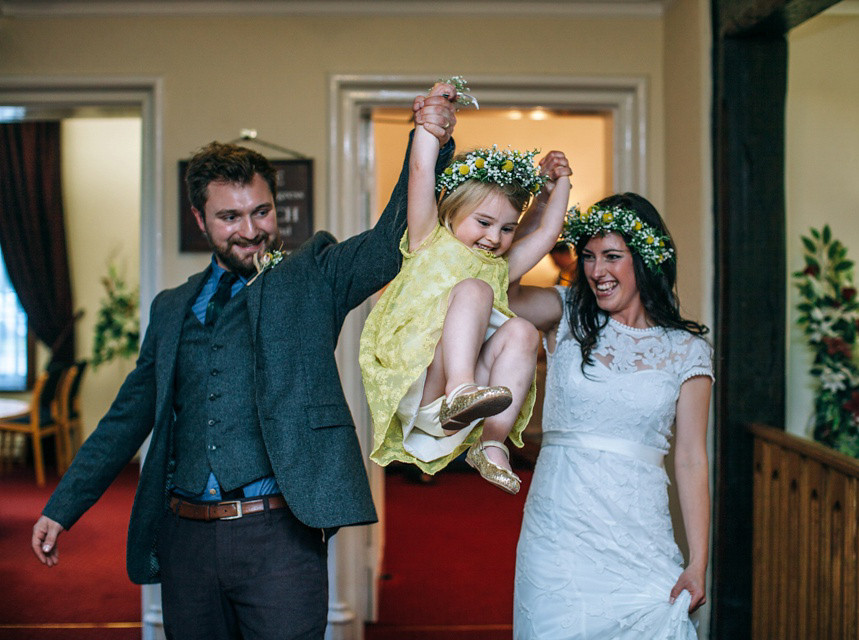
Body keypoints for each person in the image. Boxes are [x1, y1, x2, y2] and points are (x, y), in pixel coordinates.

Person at [29, 92, 460, 640]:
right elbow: (124, 421)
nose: (251, 230)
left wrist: (428, 142)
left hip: (279, 535)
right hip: (185, 540)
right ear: (200, 219)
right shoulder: (170, 309)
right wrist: (62, 507)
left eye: (262, 212)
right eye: (230, 217)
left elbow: (386, 245)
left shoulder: (312, 276)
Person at [509, 193, 713, 638]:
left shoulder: (687, 350)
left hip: (641, 539)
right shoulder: (564, 314)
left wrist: (698, 562)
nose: (597, 271)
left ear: (645, 259)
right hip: (558, 533)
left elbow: (692, 459)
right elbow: (498, 287)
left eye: (612, 257)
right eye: (588, 257)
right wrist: (543, 211)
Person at [359, 80, 572, 495]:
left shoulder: (499, 267)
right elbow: (420, 173)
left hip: (467, 399)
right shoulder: (427, 238)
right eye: (484, 223)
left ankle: (492, 443)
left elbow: (547, 233)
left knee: (523, 330)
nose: (495, 238)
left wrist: (559, 182)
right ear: (451, 212)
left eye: (508, 228)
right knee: (475, 290)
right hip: (423, 380)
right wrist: (430, 124)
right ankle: (460, 388)